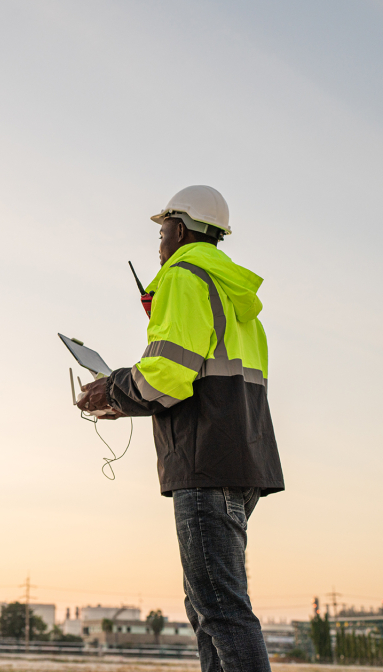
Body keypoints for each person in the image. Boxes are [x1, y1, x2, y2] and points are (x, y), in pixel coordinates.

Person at [77, 186, 284, 672]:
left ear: (182, 228)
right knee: (208, 607)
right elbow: (200, 379)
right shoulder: (230, 293)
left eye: (163, 227)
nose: (159, 240)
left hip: (204, 463)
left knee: (221, 610)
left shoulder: (183, 277)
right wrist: (126, 399)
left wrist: (112, 389)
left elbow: (168, 374)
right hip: (241, 459)